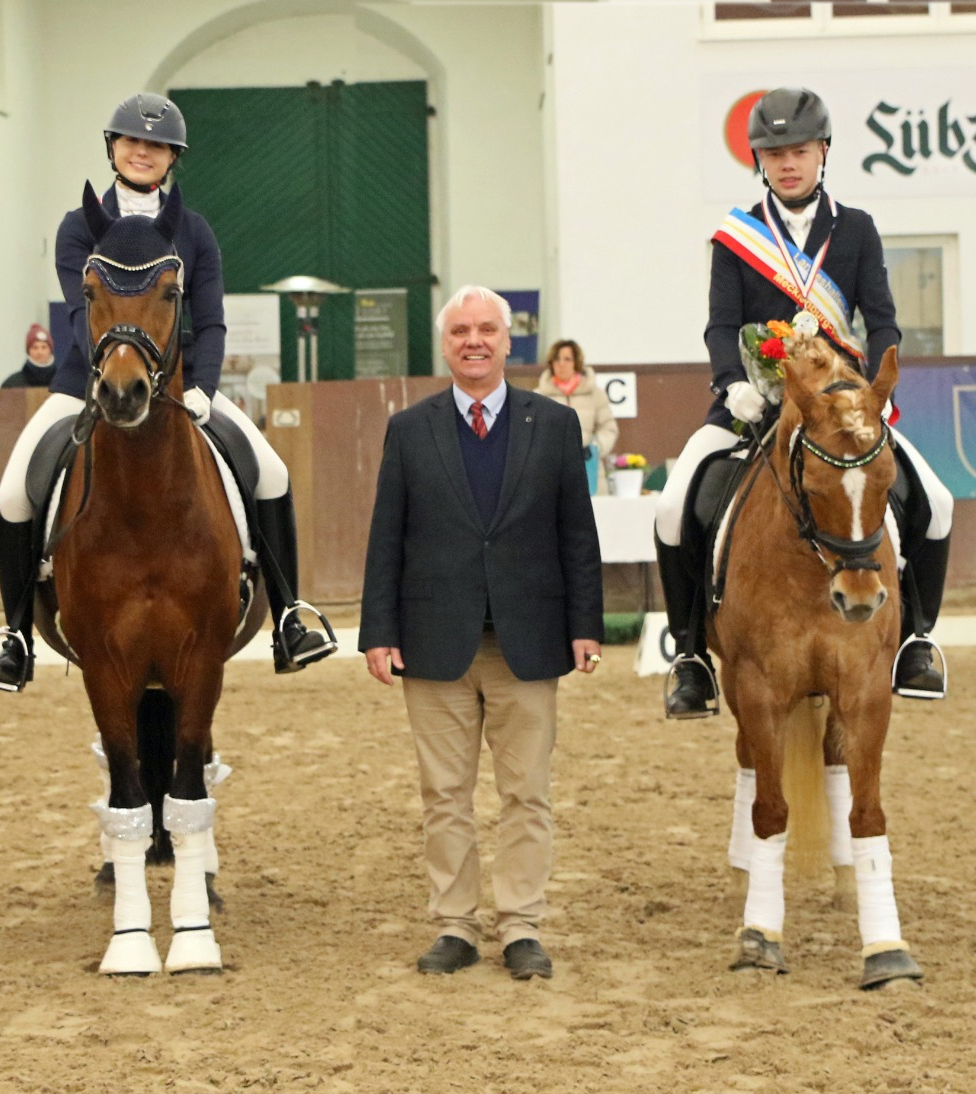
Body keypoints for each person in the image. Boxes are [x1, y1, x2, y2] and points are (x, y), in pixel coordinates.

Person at [0, 92, 337, 690]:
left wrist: (206, 388)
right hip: (84, 384)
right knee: (15, 491)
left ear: (173, 158)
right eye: (132, 141)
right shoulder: (79, 226)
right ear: (113, 148)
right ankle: (15, 633)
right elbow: (76, 312)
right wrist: (96, 381)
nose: (142, 152)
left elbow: (211, 320)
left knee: (271, 473)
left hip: (182, 384)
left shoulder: (193, 230)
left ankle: (291, 616)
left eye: (157, 145)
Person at [655, 86, 954, 719]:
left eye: (798, 151)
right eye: (773, 153)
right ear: (759, 161)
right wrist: (732, 382)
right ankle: (690, 657)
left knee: (938, 503)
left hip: (843, 410)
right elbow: (719, 325)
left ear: (822, 152)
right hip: (753, 406)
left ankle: (916, 642)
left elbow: (883, 321)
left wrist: (868, 390)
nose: (787, 163)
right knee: (674, 506)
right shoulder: (737, 239)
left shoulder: (857, 230)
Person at [359, 285, 603, 982]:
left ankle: (521, 924)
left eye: (486, 329)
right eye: (461, 329)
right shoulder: (410, 430)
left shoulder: (552, 425)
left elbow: (574, 534)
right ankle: (455, 925)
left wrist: (583, 623)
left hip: (528, 642)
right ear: (445, 343)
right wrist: (378, 630)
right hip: (433, 642)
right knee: (445, 795)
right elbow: (387, 539)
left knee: (526, 792)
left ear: (507, 341)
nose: (473, 340)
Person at [534, 339, 617, 492]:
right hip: (550, 472)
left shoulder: (595, 394)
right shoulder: (538, 396)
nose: (561, 364)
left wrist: (594, 447)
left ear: (576, 363)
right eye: (557, 359)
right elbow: (530, 434)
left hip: (589, 470)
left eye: (567, 359)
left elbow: (609, 428)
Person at [0, 324, 57, 389]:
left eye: (44, 347)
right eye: (35, 348)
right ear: (28, 351)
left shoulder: (62, 382)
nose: (39, 352)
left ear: (50, 350)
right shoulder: (12, 385)